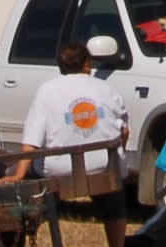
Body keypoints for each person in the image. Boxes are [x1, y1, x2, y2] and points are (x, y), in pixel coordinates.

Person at [17, 39, 129, 182]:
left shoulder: (47, 90)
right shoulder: (107, 88)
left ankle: (0, 169)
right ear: (87, 64)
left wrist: (18, 175)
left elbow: (31, 142)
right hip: (107, 165)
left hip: (60, 169)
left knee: (29, 165)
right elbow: (124, 132)